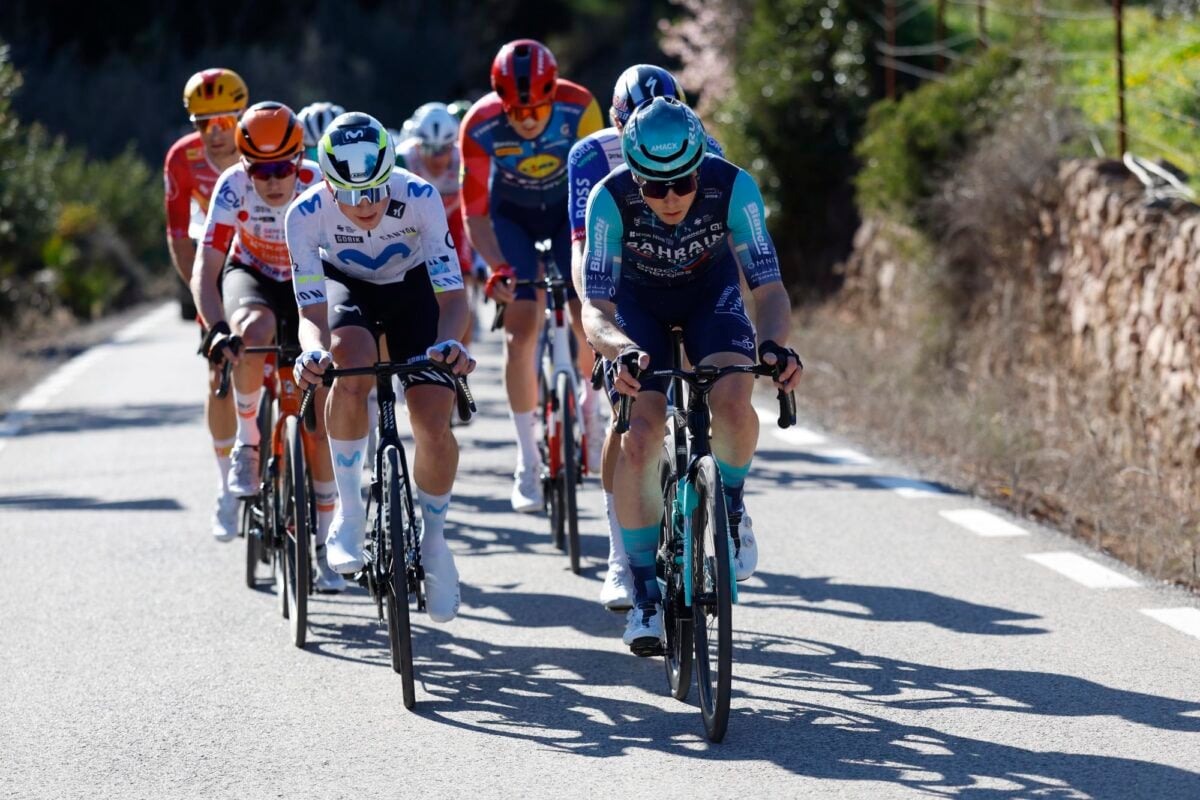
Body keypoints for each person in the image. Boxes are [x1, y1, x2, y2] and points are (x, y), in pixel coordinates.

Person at [580, 97, 803, 653]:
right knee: (639, 437)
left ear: (700, 165)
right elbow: (595, 308)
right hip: (637, 308)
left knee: (733, 401)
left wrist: (775, 345)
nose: (671, 197)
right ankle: (644, 594)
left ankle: (731, 505)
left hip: (710, 296)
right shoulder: (608, 198)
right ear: (635, 176)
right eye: (655, 188)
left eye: (682, 182)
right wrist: (619, 350)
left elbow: (769, 289)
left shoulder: (733, 186)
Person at [286, 112, 475, 622]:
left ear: (390, 172)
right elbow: (311, 315)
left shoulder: (419, 196)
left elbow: (453, 299)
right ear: (327, 183)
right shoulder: (304, 214)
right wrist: (312, 352)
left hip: (415, 291)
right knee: (348, 365)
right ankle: (349, 514)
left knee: (432, 419)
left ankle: (434, 543)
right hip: (347, 289)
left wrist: (449, 345)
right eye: (349, 195)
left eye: (373, 190)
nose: (364, 205)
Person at [567, 64, 724, 613]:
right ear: (617, 124)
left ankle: (720, 505)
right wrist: (598, 322)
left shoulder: (704, 145)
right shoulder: (590, 157)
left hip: (690, 279)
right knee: (628, 418)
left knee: (712, 386)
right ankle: (620, 554)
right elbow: (584, 248)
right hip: (621, 281)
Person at [190, 102, 346, 592]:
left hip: (307, 279)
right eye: (261, 170)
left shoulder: (320, 182)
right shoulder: (232, 186)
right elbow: (205, 269)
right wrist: (216, 328)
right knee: (251, 333)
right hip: (253, 273)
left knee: (318, 417)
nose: (274, 181)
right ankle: (248, 444)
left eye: (283, 168)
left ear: (300, 158)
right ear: (244, 164)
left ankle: (326, 542)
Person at [459, 39, 603, 512]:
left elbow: (602, 190)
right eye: (516, 111)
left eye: (536, 109)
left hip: (570, 214)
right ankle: (526, 458)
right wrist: (497, 266)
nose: (525, 120)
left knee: (589, 314)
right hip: (512, 219)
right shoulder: (479, 124)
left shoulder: (580, 107)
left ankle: (591, 408)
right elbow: (475, 213)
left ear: (553, 95)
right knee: (520, 333)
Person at [163, 67, 249, 541]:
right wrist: (203, 297)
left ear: (240, 116)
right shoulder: (182, 158)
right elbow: (179, 236)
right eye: (202, 123)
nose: (214, 134)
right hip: (214, 268)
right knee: (219, 373)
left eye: (224, 122)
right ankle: (226, 487)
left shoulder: (263, 144)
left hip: (268, 264)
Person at [395, 103, 479, 346]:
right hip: (414, 224)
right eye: (429, 148)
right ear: (416, 144)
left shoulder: (465, 158)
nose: (437, 156)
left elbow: (477, 208)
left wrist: (480, 261)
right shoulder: (402, 159)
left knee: (461, 286)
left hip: (453, 220)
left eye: (444, 148)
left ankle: (461, 352)